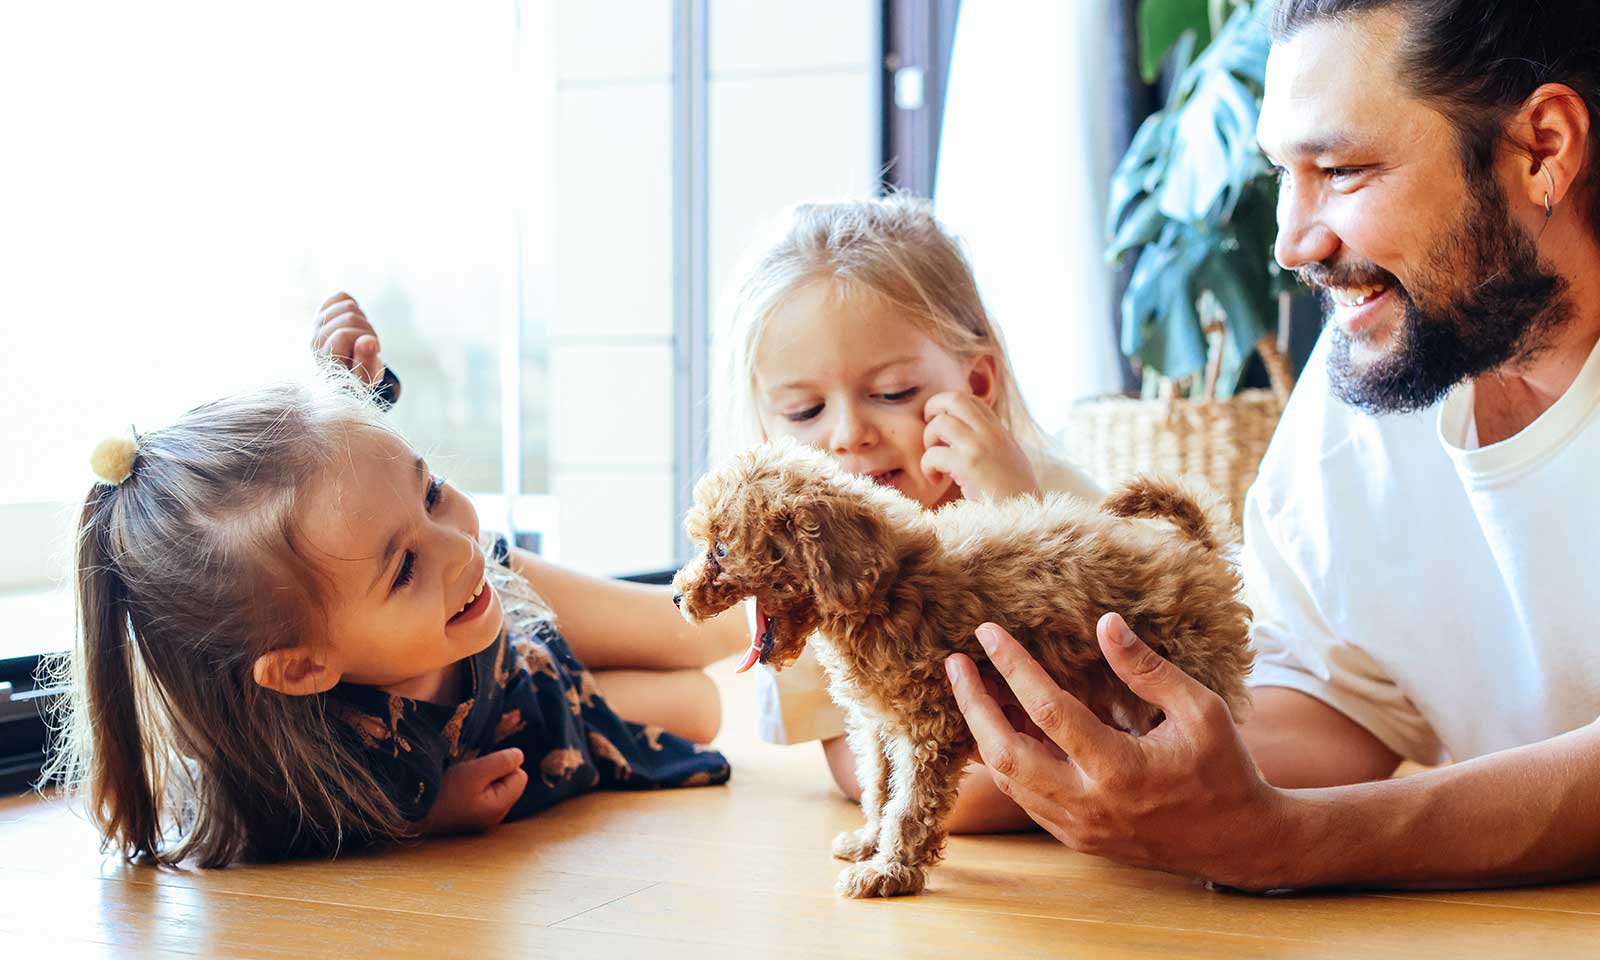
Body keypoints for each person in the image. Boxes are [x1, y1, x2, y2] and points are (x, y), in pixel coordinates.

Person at [945, 0, 1600, 890]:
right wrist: (1105, 742)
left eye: (1341, 169)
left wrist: (1289, 840)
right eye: (1282, 175)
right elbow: (1330, 700)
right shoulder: (1389, 354)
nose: (1293, 244)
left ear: (1543, 149)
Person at [48, 363, 738, 866]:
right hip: (556, 711)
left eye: (432, 492)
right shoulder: (297, 776)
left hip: (513, 607)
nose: (457, 542)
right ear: (305, 666)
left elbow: (365, 488)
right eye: (403, 566)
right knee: (701, 705)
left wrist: (355, 375)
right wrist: (423, 817)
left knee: (703, 624)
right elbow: (247, 833)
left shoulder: (465, 564)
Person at [721, 195, 1103, 832]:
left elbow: (1104, 715)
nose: (848, 435)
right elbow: (858, 765)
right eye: (803, 412)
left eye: (893, 394)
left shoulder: (1055, 497)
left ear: (975, 386)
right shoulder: (806, 559)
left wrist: (1016, 510)